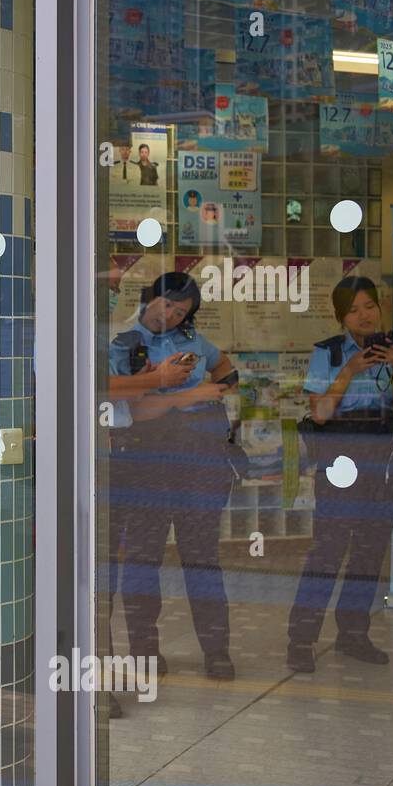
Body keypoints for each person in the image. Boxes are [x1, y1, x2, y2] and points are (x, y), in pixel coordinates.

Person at [109, 272, 240, 679]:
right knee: (143, 562)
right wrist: (187, 395)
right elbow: (136, 411)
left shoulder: (192, 341)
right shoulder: (124, 344)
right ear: (149, 298)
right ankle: (145, 651)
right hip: (146, 464)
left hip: (198, 463)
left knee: (202, 559)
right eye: (165, 305)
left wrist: (215, 394)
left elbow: (225, 368)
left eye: (179, 311)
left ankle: (217, 652)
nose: (168, 315)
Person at [286, 277, 393, 673]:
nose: (364, 315)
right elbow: (321, 414)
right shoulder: (327, 354)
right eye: (354, 309)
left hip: (382, 456)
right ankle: (301, 638)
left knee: (370, 550)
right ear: (341, 317)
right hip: (341, 455)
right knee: (328, 549)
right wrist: (349, 369)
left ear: (380, 308)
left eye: (370, 306)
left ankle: (353, 633)